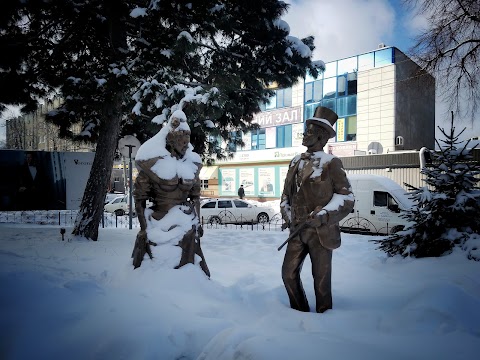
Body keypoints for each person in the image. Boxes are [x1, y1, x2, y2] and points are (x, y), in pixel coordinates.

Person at [280, 106, 355, 313]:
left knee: (321, 281)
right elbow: (286, 194)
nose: (305, 134)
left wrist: (323, 216)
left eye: (310, 131)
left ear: (321, 137)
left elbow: (346, 197)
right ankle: (299, 312)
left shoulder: (331, 163)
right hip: (297, 230)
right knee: (288, 273)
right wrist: (287, 215)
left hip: (320, 231)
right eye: (306, 130)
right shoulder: (296, 161)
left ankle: (324, 319)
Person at [131, 111, 210, 277]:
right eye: (182, 142)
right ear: (172, 141)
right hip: (159, 219)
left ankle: (190, 280)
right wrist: (144, 227)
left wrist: (199, 222)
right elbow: (139, 199)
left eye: (188, 142)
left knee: (189, 236)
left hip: (185, 217)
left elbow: (195, 197)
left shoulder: (193, 163)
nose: (186, 146)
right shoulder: (152, 163)